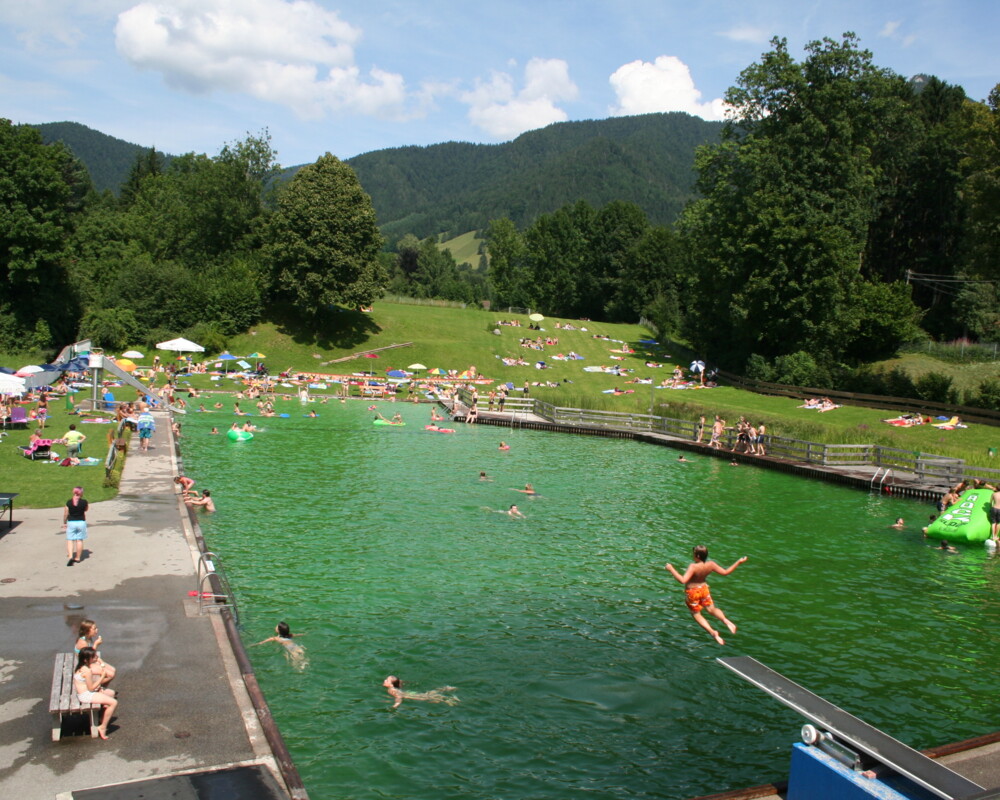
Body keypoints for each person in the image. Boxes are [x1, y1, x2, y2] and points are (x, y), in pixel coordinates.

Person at [665, 545, 747, 646]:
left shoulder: (693, 566)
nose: (693, 555)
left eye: (694, 554)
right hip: (704, 589)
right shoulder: (711, 564)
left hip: (693, 592)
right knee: (711, 609)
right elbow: (725, 572)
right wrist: (738, 562)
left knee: (696, 614)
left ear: (698, 556)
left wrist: (671, 569)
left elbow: (683, 580)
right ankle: (726, 621)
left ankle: (713, 632)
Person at [73, 647, 118, 739]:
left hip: (85, 692)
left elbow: (89, 685)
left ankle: (102, 717)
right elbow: (90, 688)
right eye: (93, 657)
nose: (95, 658)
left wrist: (98, 686)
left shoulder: (81, 667)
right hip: (86, 695)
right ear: (86, 659)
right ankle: (102, 727)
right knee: (114, 702)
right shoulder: (87, 671)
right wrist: (101, 678)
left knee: (111, 694)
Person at [74, 620, 116, 687]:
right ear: (87, 630)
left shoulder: (88, 638)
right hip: (85, 665)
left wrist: (101, 662)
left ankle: (102, 687)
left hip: (90, 661)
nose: (97, 630)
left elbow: (92, 655)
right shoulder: (83, 642)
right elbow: (90, 655)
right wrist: (96, 644)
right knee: (111, 674)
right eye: (94, 629)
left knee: (113, 670)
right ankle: (98, 686)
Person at [383, 676, 459, 710]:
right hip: (410, 693)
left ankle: (448, 699)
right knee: (427, 694)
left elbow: (399, 697)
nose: (385, 680)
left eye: (386, 680)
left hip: (411, 695)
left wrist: (395, 705)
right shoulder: (398, 685)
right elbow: (400, 681)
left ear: (391, 685)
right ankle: (445, 688)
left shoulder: (391, 690)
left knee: (428, 697)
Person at [62, 486, 88, 566]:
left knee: (70, 540)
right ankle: (77, 557)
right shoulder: (84, 502)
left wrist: (64, 522)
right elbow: (86, 510)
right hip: (81, 522)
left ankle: (70, 556)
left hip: (71, 522)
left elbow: (66, 513)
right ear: (81, 493)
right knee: (79, 540)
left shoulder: (69, 502)